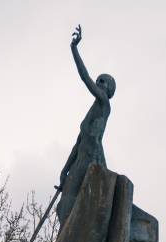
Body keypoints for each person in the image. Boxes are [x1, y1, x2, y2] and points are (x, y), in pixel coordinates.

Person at [56, 24, 116, 227]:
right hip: (80, 161)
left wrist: (74, 49)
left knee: (75, 208)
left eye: (103, 82)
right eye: (98, 81)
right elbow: (77, 144)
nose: (98, 83)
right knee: (62, 207)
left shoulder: (104, 104)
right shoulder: (89, 116)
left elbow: (85, 77)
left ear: (109, 91)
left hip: (93, 161)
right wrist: (64, 171)